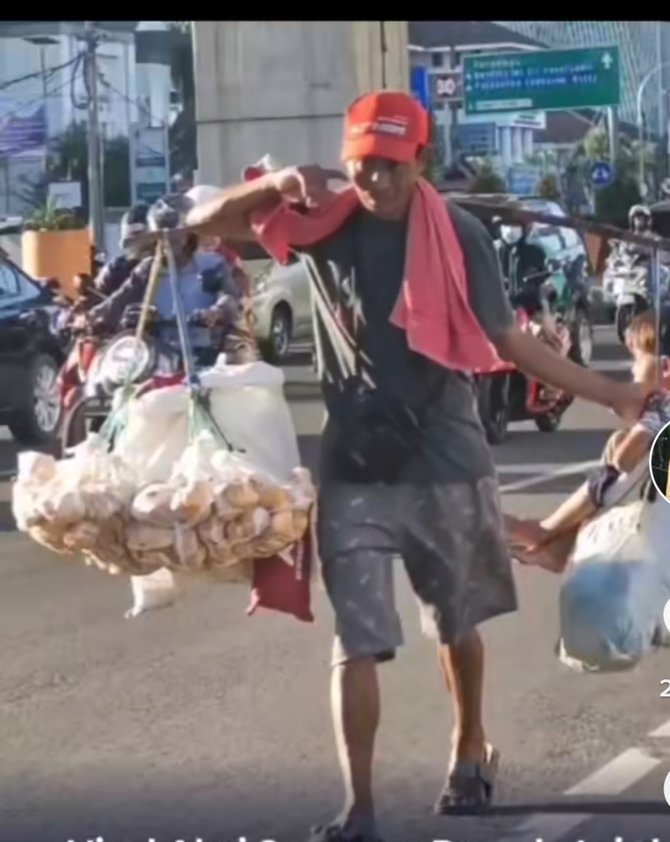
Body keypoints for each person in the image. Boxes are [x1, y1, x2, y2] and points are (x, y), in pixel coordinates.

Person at [184, 90, 651, 842]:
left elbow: (512, 341)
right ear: (347, 161)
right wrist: (276, 186)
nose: (378, 183)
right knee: (356, 640)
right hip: (354, 465)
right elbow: (204, 225)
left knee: (456, 624)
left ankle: (470, 744)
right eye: (364, 166)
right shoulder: (324, 223)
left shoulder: (458, 234)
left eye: (393, 167)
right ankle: (359, 808)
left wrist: (615, 393)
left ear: (420, 161)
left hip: (444, 458)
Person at [507, 311, 669, 573]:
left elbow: (626, 456)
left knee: (614, 469)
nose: (632, 369)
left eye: (637, 360)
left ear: (665, 368)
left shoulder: (663, 406)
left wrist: (626, 448)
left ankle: (552, 533)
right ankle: (560, 539)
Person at [85, 194, 251, 366]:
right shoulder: (148, 268)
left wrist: (217, 310)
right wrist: (92, 316)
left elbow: (231, 297)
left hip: (211, 352)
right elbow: (119, 300)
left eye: (174, 236)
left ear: (190, 235)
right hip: (158, 356)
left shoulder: (213, 264)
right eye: (160, 237)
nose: (167, 243)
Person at [93, 202, 154, 297]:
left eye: (138, 233)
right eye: (132, 235)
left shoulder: (170, 264)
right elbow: (96, 299)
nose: (136, 241)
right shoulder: (115, 269)